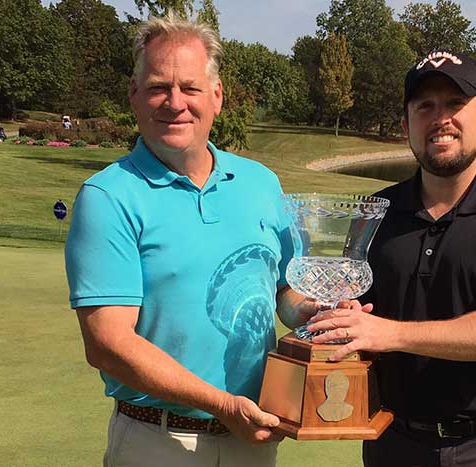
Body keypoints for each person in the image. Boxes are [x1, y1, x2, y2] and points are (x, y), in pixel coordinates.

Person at [64, 12, 326, 467]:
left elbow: (283, 291)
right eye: (158, 87)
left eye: (190, 87)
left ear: (217, 97)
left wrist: (315, 311)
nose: (174, 102)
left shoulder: (261, 183)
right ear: (134, 96)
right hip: (158, 443)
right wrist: (221, 404)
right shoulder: (108, 197)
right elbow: (107, 343)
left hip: (255, 439)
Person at [307, 50, 476, 467]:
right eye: (425, 106)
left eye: (455, 104)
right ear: (407, 125)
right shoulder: (375, 211)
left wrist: (389, 333)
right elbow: (356, 311)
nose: (440, 118)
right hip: (394, 443)